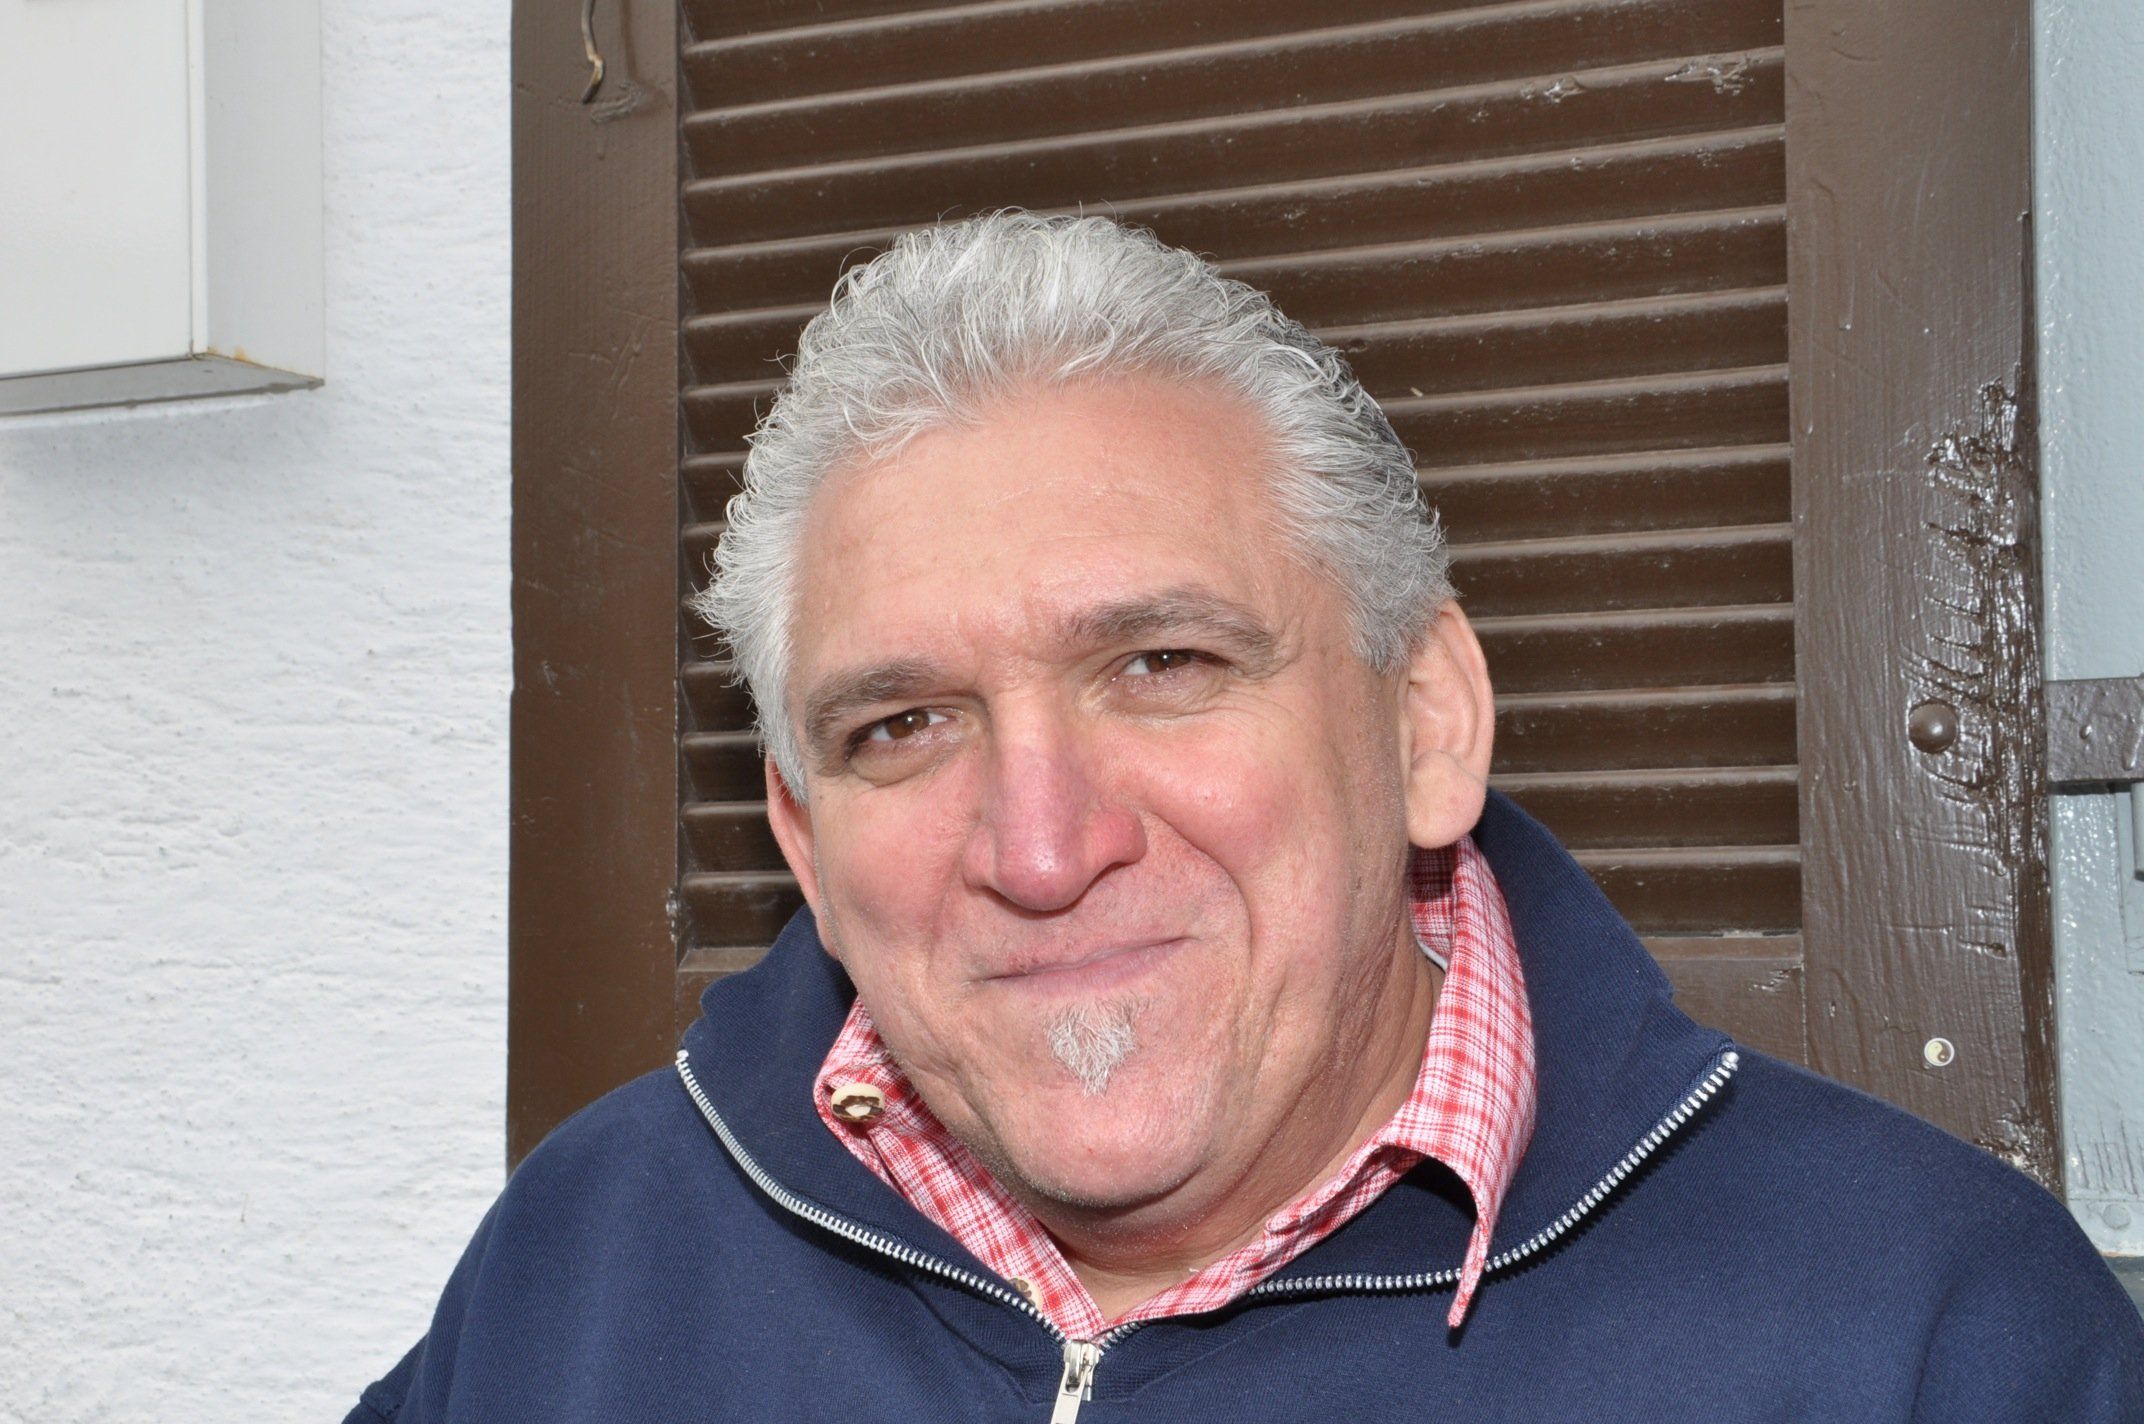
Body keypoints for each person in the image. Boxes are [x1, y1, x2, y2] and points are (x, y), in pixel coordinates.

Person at [348, 212, 2144, 1422]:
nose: (1041, 848)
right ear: (805, 847)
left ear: (1426, 724)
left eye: (1164, 665)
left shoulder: (1927, 1338)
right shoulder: (587, 1267)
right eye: (903, 725)